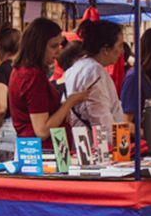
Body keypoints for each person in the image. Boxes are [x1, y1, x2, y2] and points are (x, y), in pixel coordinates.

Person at [9, 18, 90, 148]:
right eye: (53, 46)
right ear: (38, 46)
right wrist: (69, 102)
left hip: (39, 150)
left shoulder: (23, 71)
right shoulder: (32, 76)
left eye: (59, 45)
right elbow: (42, 131)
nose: (58, 51)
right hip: (42, 152)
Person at [64, 20, 126, 140]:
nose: (122, 51)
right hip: (95, 144)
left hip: (80, 140)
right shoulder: (94, 72)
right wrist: (116, 142)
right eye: (120, 46)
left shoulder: (77, 68)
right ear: (105, 49)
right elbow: (100, 118)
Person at [0, 27, 21, 161]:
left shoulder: (0, 71)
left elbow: (0, 108)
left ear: (0, 48)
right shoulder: (28, 71)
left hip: (3, 141)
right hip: (25, 140)